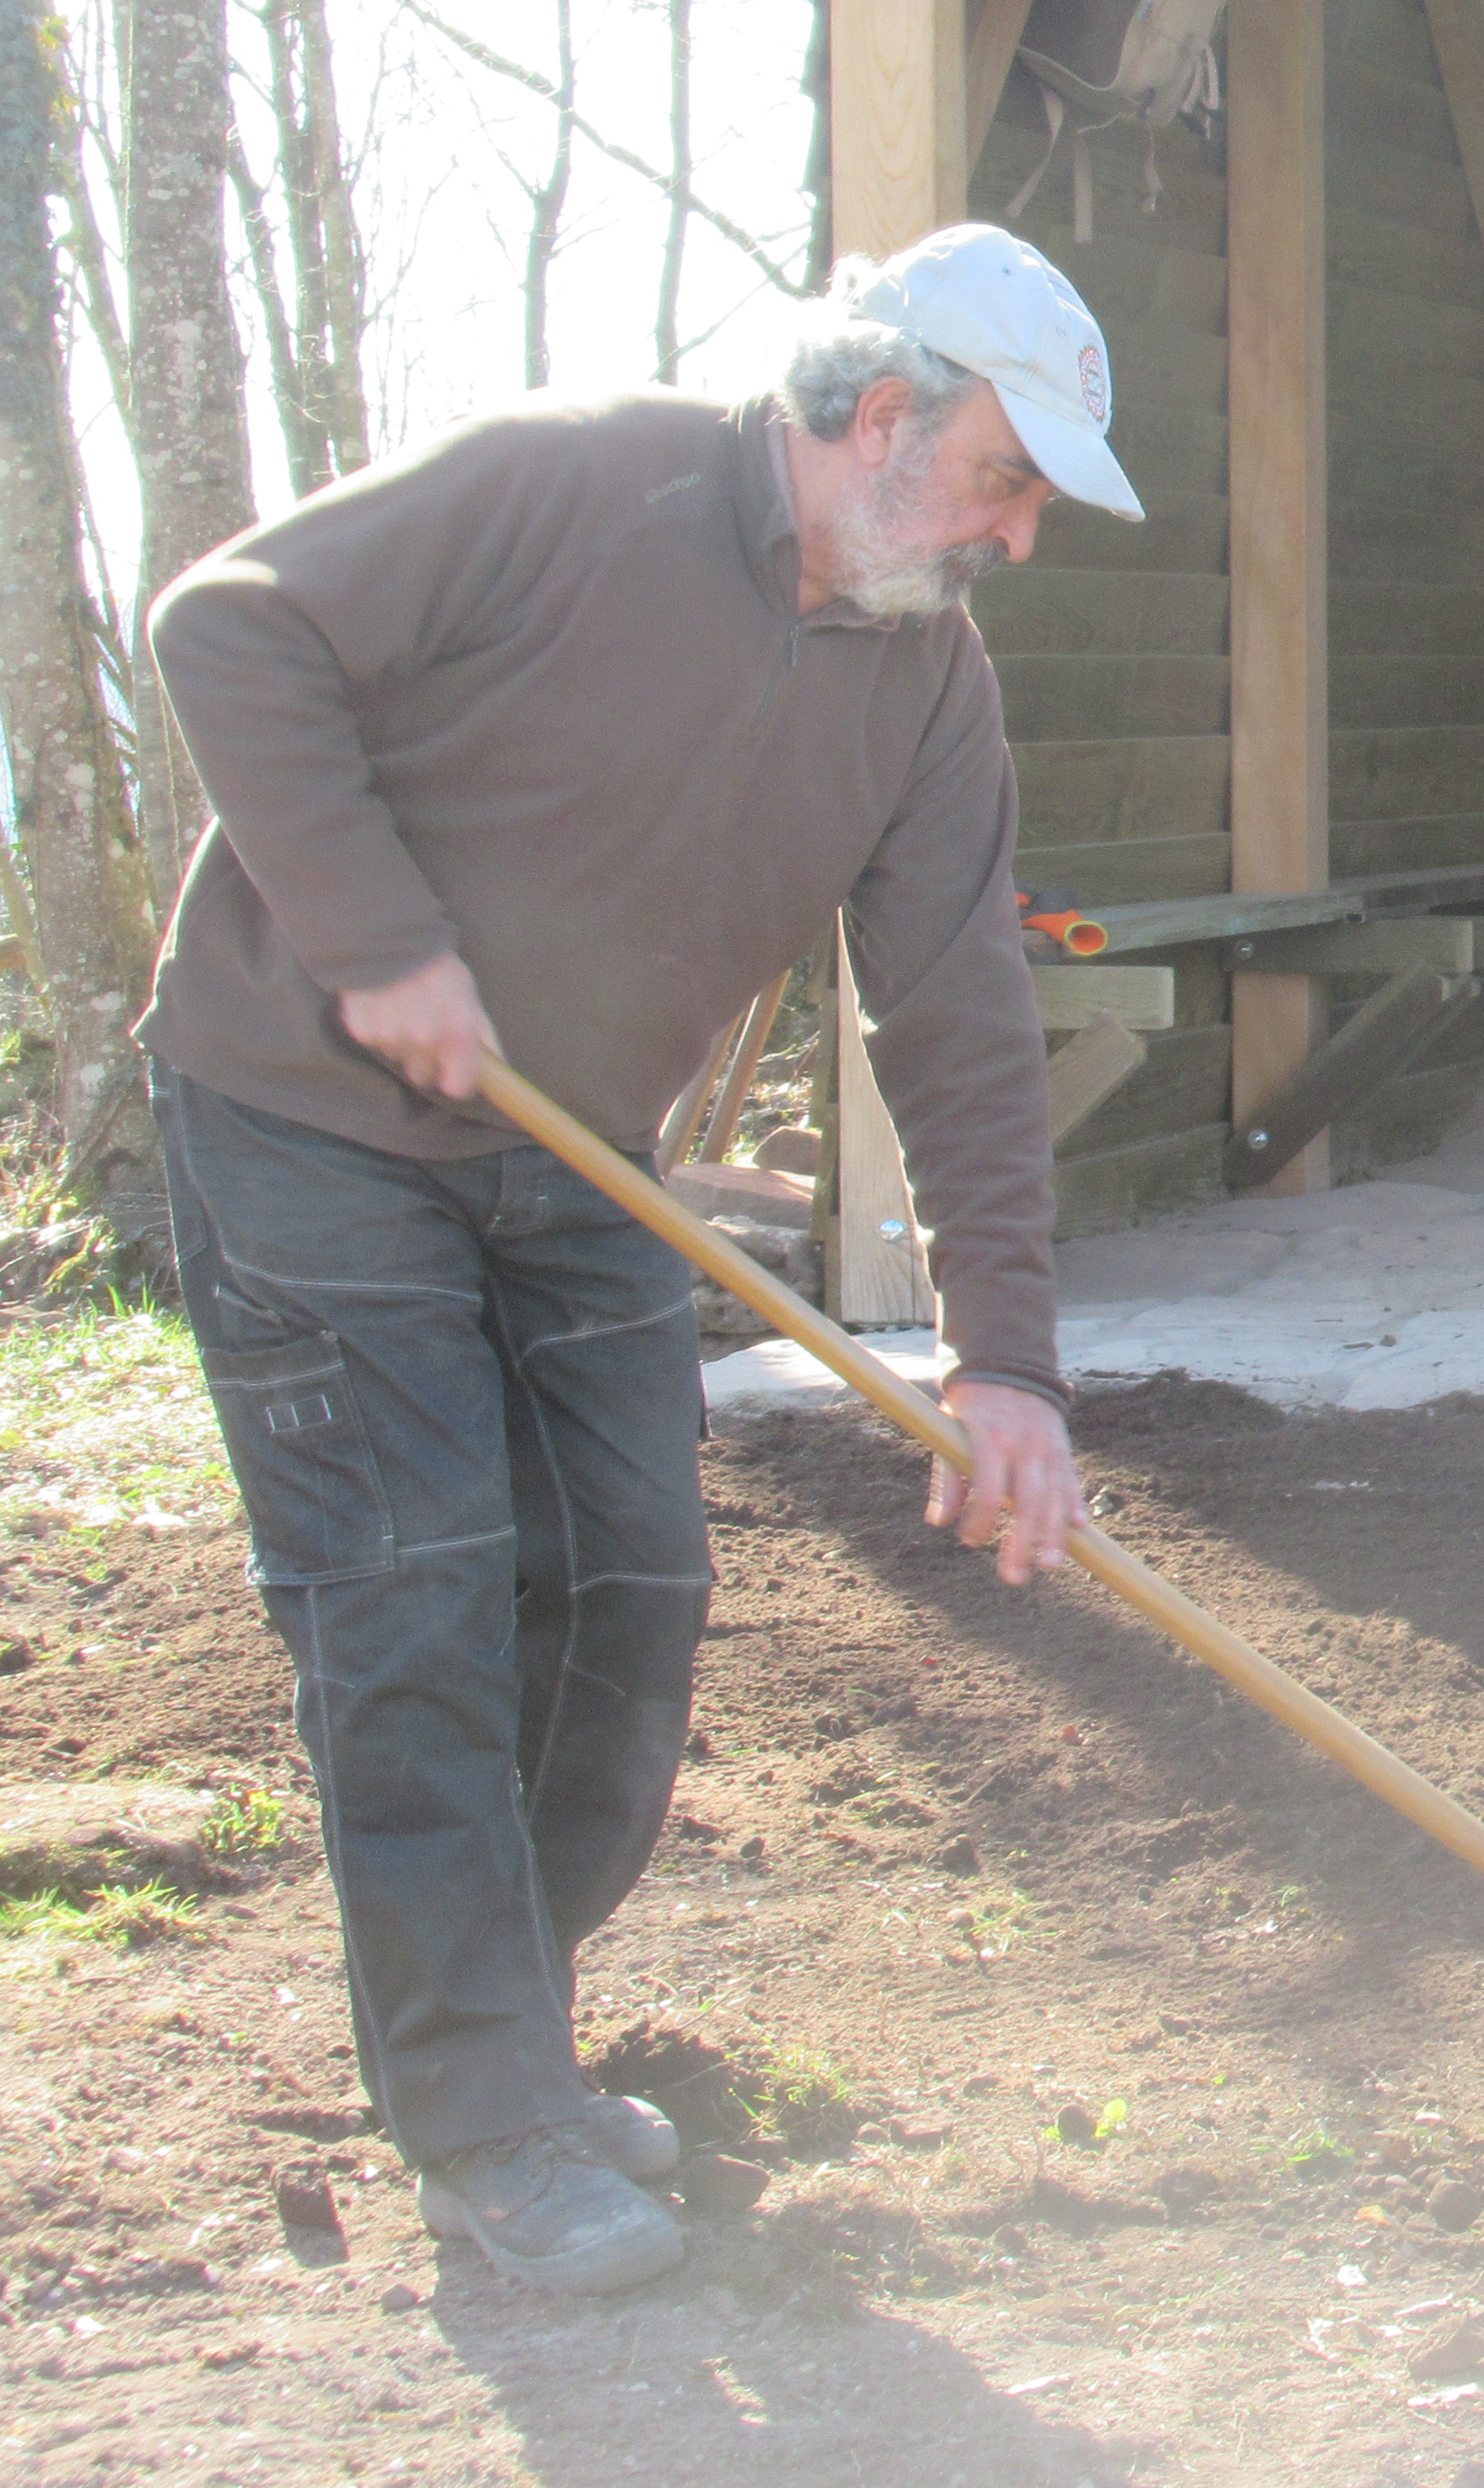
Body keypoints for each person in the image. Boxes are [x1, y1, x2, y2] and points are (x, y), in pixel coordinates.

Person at [135, 223, 1143, 2294]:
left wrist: (1009, 1364)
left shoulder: (925, 681)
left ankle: (498, 2034)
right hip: (312, 1120)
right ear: (882, 417)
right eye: (1004, 480)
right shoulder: (570, 480)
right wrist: (375, 939)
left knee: (630, 1594)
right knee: (415, 1590)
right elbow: (228, 626)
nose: (1017, 537)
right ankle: (488, 2121)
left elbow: (954, 1009)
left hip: (582, 1154)